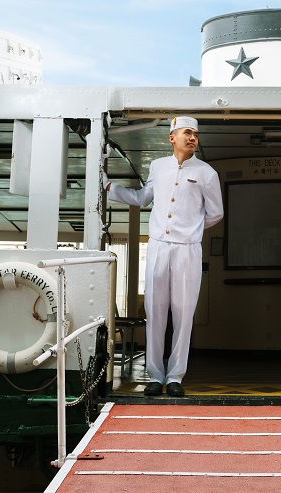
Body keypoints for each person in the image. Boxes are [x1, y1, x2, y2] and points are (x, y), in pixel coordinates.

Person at [102, 116, 223, 398]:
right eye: (187, 133)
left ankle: (176, 376)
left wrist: (190, 229)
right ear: (172, 137)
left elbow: (216, 213)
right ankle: (155, 376)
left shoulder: (207, 173)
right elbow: (143, 198)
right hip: (158, 246)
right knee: (155, 312)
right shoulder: (158, 166)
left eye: (195, 134)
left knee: (184, 314)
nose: (193, 137)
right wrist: (110, 189)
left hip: (187, 248)